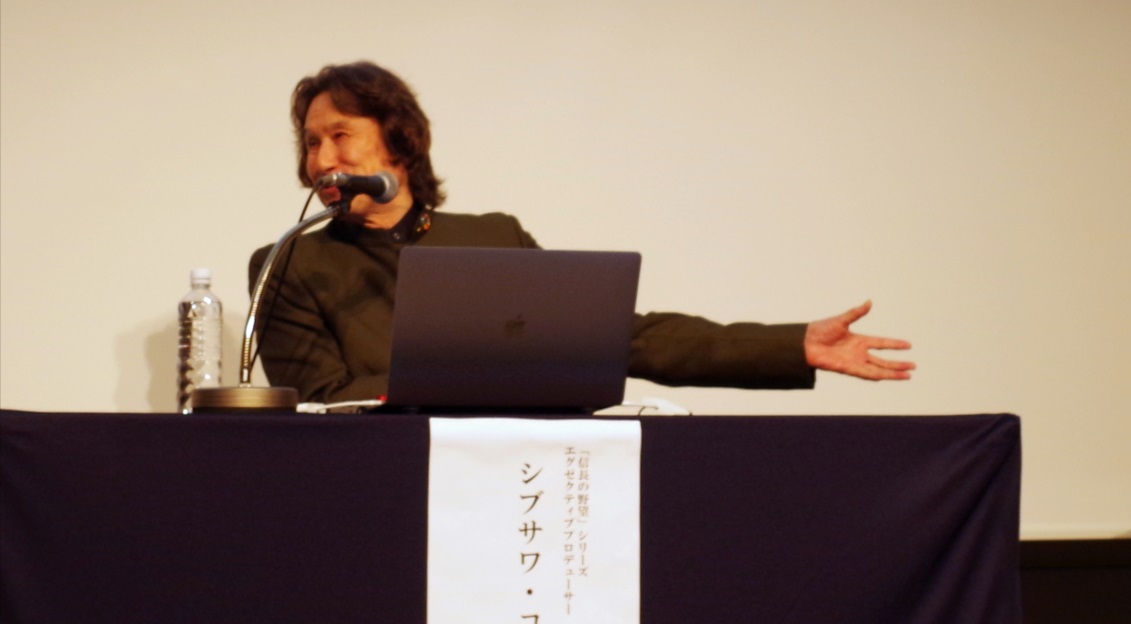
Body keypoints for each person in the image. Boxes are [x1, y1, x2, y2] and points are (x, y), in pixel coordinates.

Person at [248, 62, 913, 404]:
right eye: (311, 143)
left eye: (340, 136)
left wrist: (791, 346)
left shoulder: (495, 239)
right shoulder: (291, 262)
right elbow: (323, 401)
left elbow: (623, 339)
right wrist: (472, 377)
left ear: (400, 139)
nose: (322, 160)